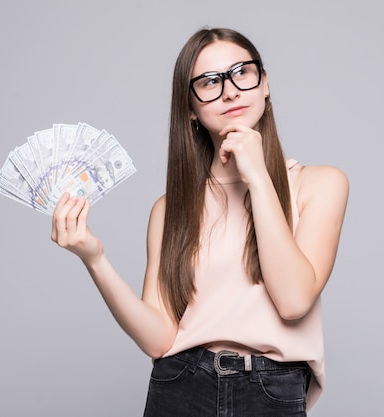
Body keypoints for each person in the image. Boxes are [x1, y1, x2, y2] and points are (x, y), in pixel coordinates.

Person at [50, 27, 348, 417]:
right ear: (190, 108)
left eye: (242, 72)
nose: (229, 90)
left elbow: (293, 301)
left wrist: (258, 176)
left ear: (265, 85)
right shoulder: (169, 209)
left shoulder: (319, 184)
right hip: (180, 385)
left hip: (271, 389)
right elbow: (159, 340)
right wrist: (95, 258)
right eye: (209, 82)